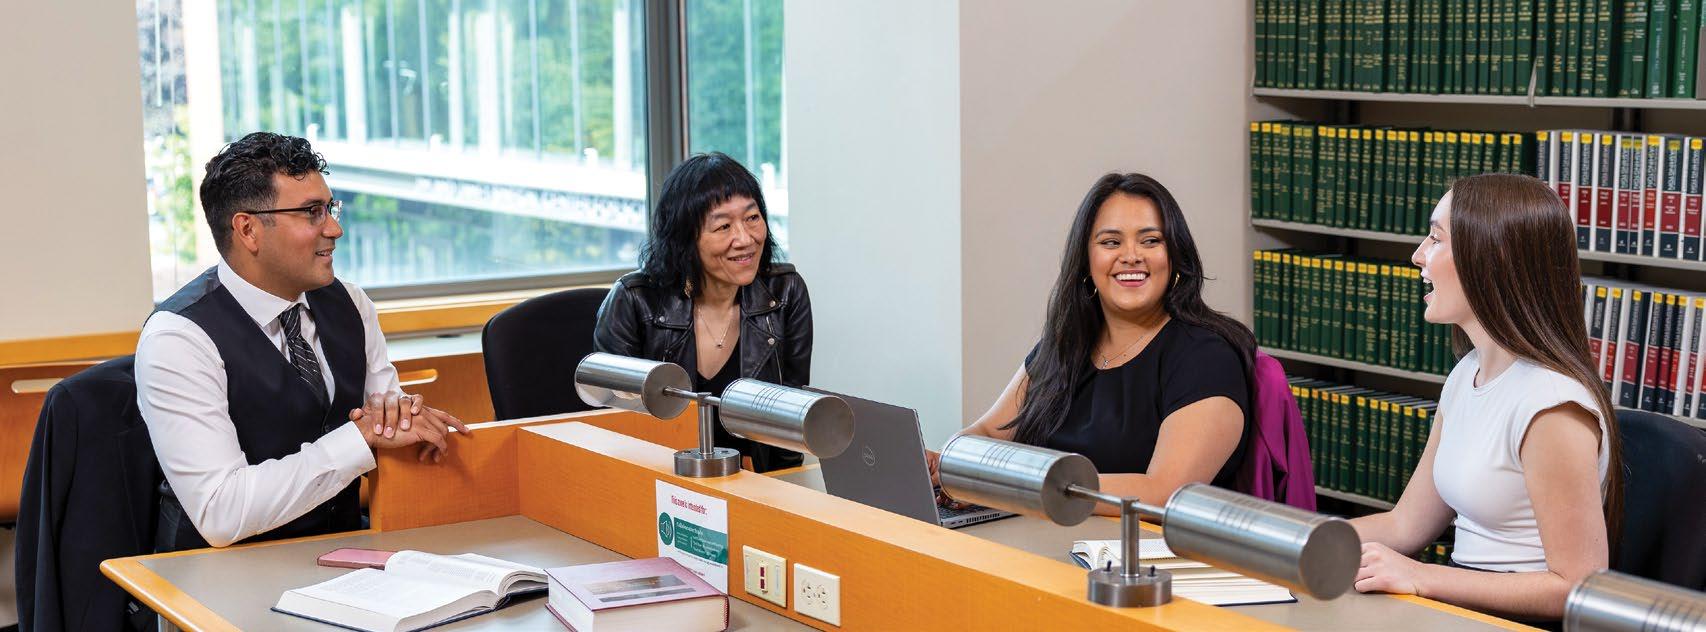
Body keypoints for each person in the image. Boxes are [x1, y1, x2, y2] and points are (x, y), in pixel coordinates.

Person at [136, 132, 469, 550]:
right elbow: (221, 512)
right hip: (216, 570)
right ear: (248, 230)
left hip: (344, 554)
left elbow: (388, 425)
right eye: (312, 213)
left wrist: (405, 423)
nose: (335, 228)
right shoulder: (177, 338)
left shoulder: (352, 303)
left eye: (330, 208)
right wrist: (361, 437)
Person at [1349, 174, 1620, 622]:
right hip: (1462, 609)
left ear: (1491, 259)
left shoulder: (1552, 406)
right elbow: (1405, 525)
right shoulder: (1467, 374)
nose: (1418, 255)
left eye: (1436, 239)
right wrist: (1296, 538)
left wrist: (1421, 576)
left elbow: (1576, 585)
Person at [937, 172, 1254, 511]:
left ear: (1175, 255)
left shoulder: (1206, 358)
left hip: (1135, 544)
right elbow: (987, 431)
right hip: (1039, 532)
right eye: (1111, 242)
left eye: (1150, 241)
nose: (1131, 256)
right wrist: (948, 464)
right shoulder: (1066, 344)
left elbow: (1163, 493)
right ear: (1086, 261)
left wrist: (1016, 486)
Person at [592, 152, 811, 473]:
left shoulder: (785, 293)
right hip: (662, 478)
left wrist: (781, 488)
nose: (745, 239)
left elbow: (790, 424)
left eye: (752, 218)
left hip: (754, 481)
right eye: (723, 226)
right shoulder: (634, 301)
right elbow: (619, 431)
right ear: (685, 239)